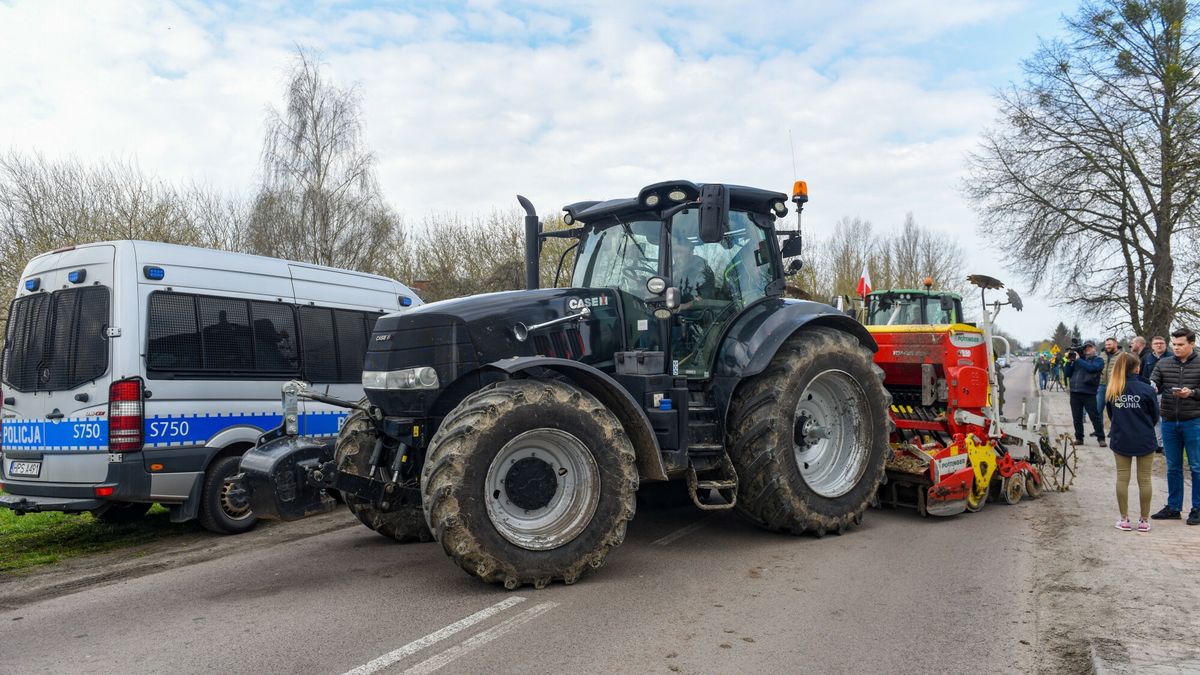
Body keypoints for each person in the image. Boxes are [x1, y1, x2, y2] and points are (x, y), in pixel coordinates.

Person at [1149, 327, 1200, 524]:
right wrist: (1152, 386)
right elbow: (1154, 380)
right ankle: (1174, 507)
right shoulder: (1164, 363)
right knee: (1173, 467)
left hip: (1193, 421)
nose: (1176, 348)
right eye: (1174, 344)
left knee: (1196, 466)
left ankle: (1197, 508)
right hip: (1169, 421)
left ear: (1192, 344)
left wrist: (1192, 393)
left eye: (1181, 344)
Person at [1105, 352, 1158, 532]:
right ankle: (1144, 521)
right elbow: (1155, 417)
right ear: (1137, 368)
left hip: (1121, 438)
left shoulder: (1113, 389)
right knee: (1144, 480)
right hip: (1145, 438)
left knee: (1122, 477)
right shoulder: (1148, 389)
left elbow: (1111, 415)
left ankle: (1124, 519)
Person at [1066, 342, 1106, 446]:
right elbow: (1067, 373)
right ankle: (1079, 438)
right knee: (1077, 417)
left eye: (1090, 347)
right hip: (1075, 392)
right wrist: (1069, 361)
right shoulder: (1077, 360)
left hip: (1089, 393)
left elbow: (1092, 369)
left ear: (1094, 348)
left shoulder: (1098, 360)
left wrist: (1079, 360)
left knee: (1094, 417)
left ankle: (1101, 438)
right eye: (1085, 347)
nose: (1087, 349)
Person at [1097, 337, 1121, 414]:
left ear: (1115, 344)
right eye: (1106, 345)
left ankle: (1116, 426)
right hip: (1102, 386)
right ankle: (1099, 426)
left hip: (1116, 387)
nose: (1107, 346)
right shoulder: (1101, 355)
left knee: (1117, 409)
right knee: (1098, 410)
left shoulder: (1122, 355)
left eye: (1109, 344)